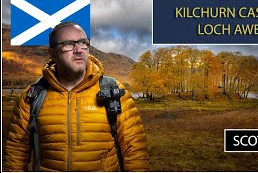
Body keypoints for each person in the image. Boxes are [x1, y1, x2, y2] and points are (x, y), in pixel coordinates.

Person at [3, 21, 149, 171]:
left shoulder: (114, 90)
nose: (79, 50)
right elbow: (15, 153)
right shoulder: (32, 96)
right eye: (68, 44)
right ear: (53, 53)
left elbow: (135, 150)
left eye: (83, 43)